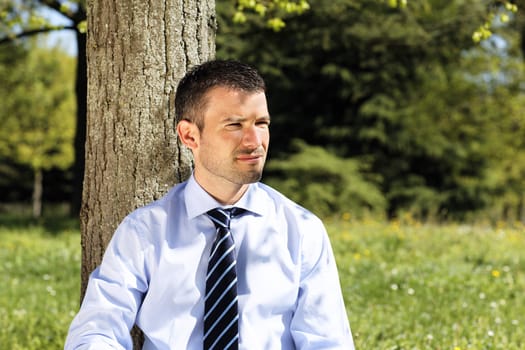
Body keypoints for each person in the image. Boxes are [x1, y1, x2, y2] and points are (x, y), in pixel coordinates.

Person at [65, 59, 355, 349]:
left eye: (261, 123)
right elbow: (96, 330)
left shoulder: (302, 231)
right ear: (190, 135)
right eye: (235, 125)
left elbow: (328, 341)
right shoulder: (145, 232)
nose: (255, 141)